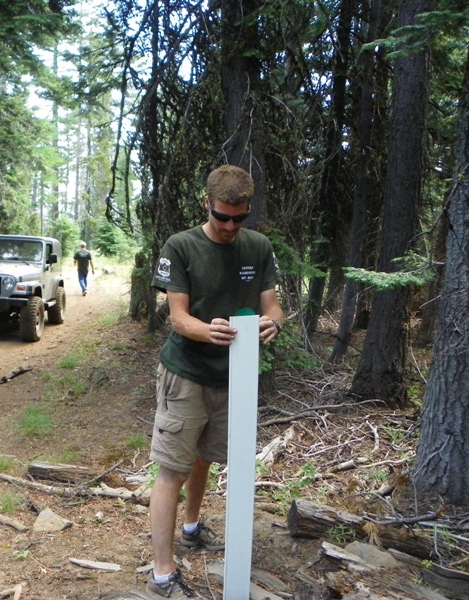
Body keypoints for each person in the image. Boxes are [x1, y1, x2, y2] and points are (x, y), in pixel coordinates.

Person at [143, 165, 284, 599]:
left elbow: (273, 306)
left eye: (238, 218)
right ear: (208, 204)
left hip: (235, 380)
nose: (229, 226)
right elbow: (178, 316)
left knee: (205, 458)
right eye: (222, 216)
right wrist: (208, 331)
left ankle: (192, 526)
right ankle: (163, 573)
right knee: (173, 468)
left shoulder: (258, 248)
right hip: (186, 374)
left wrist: (271, 324)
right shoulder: (182, 246)